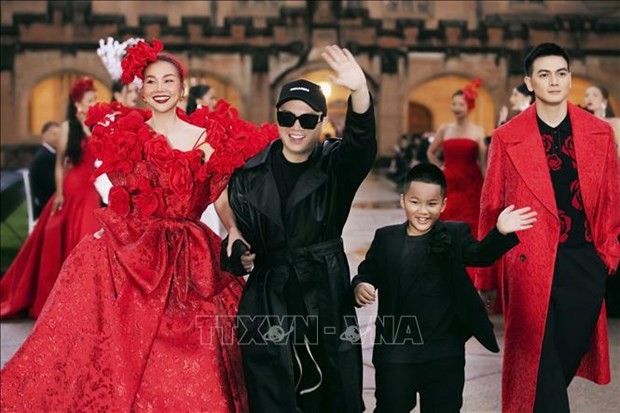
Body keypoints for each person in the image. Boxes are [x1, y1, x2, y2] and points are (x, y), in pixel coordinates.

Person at [0, 39, 275, 412]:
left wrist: (235, 231)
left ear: (182, 89)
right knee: (117, 339)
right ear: (141, 90)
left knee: (197, 344)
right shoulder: (129, 136)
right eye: (151, 81)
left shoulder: (204, 138)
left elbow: (219, 194)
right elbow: (123, 198)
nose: (160, 88)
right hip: (136, 251)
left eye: (168, 81)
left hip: (190, 255)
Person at [225, 45, 376, 412]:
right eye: (287, 117)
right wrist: (235, 256)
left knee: (335, 387)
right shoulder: (248, 174)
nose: (296, 127)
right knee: (271, 389)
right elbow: (237, 236)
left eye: (308, 120)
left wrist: (359, 92)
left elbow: (361, 147)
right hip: (268, 295)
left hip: (324, 289)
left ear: (322, 121)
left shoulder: (335, 166)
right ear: (276, 118)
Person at [476, 43, 620, 413]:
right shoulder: (507, 137)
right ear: (529, 82)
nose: (554, 81)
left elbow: (611, 198)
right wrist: (486, 276)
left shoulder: (599, 133)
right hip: (528, 263)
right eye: (544, 74)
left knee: (562, 355)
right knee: (537, 363)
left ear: (569, 78)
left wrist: (608, 254)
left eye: (561, 73)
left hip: (584, 260)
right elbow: (491, 205)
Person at [352, 163, 536, 413]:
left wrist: (500, 232)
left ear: (443, 205)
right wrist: (362, 285)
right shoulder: (386, 238)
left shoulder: (455, 233)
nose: (423, 211)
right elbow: (369, 271)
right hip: (396, 350)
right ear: (403, 200)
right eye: (415, 202)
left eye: (431, 204)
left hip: (443, 351)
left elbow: (480, 254)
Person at [0, 77, 101, 319]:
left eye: (95, 99)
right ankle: (65, 298)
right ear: (78, 102)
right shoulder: (68, 128)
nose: (94, 103)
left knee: (90, 239)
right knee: (68, 239)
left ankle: (88, 298)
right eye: (90, 100)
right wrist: (60, 192)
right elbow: (60, 165)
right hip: (72, 187)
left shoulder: (97, 124)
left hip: (92, 189)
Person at [427, 79, 486, 237]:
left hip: (471, 181)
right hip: (450, 180)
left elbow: (483, 163)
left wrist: (488, 186)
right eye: (454, 104)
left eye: (461, 104)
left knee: (470, 220)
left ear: (469, 107)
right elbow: (431, 152)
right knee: (447, 216)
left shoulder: (478, 131)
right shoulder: (445, 129)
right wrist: (440, 167)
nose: (457, 108)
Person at [28, 121, 61, 219]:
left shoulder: (52, 154)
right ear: (44, 135)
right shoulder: (44, 157)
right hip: (46, 207)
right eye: (53, 134)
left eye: (59, 135)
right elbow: (50, 185)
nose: (57, 138)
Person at [584, 84, 620, 157]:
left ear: (604, 101)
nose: (590, 98)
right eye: (587, 95)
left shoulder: (616, 122)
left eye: (595, 95)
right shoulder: (583, 124)